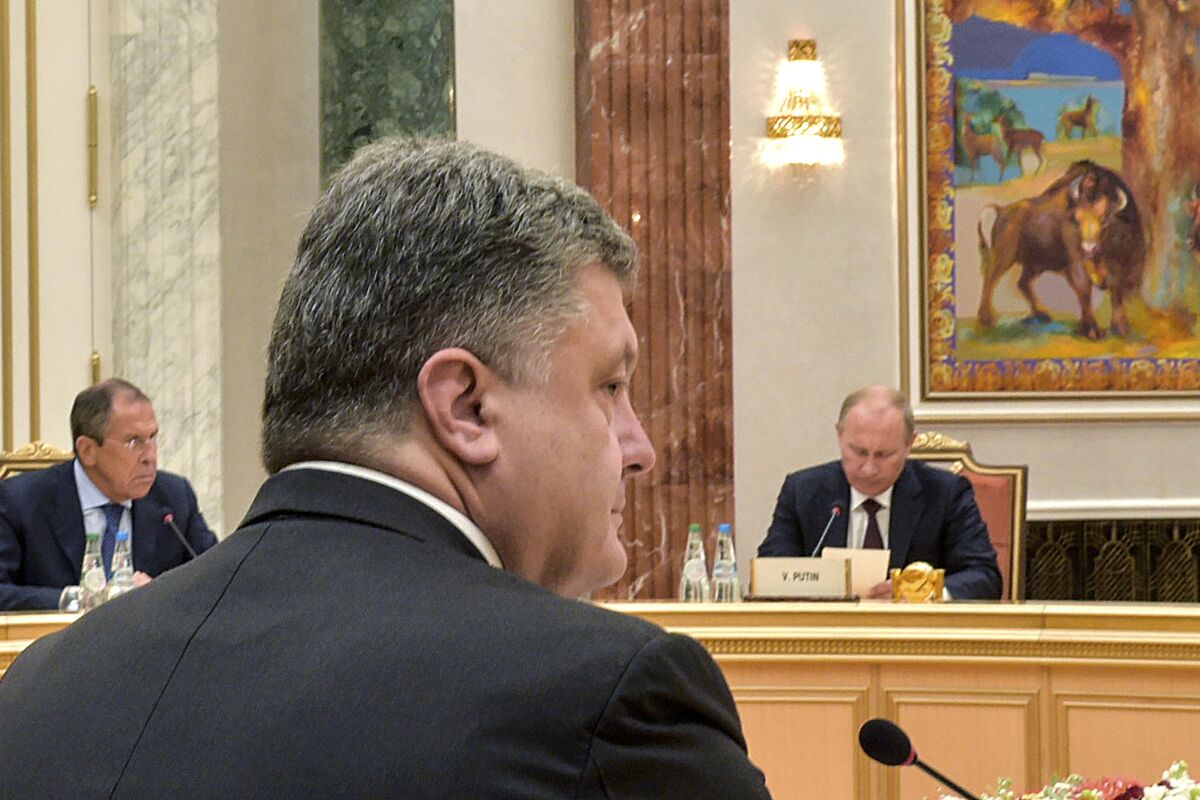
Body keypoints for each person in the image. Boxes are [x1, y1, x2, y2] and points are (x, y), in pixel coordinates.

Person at [0, 139, 771, 798]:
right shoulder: (602, 703)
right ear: (465, 407)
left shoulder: (38, 687)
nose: (640, 447)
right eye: (610, 386)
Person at [758, 385, 1001, 600]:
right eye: (859, 452)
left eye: (884, 455)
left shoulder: (945, 494)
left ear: (909, 444)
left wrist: (923, 593)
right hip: (826, 632)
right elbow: (767, 575)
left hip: (912, 633)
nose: (869, 468)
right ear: (840, 435)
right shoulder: (802, 491)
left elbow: (984, 577)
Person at [0, 379, 217, 610]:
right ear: (88, 451)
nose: (150, 456)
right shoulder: (20, 501)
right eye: (134, 441)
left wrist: (159, 593)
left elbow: (218, 580)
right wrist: (78, 600)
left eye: (153, 438)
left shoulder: (174, 497)